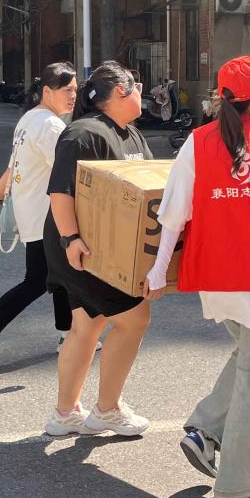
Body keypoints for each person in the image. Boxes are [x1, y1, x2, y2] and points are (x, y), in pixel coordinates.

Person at [144, 55, 250, 498]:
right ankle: (236, 479)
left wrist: (158, 270)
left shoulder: (196, 142)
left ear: (221, 96)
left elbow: (173, 213)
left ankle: (206, 429)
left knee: (246, 358)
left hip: (213, 273)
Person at [44, 61, 155, 437]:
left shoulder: (131, 134)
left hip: (102, 249)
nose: (142, 93)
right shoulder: (83, 133)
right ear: (122, 91)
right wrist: (71, 239)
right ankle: (107, 409)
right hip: (83, 248)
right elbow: (60, 192)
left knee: (87, 325)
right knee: (134, 319)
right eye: (138, 87)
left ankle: (65, 414)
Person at [0, 63, 78, 374]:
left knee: (62, 276)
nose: (73, 96)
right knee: (39, 280)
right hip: (47, 217)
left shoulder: (28, 119)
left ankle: (68, 335)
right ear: (47, 91)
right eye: (67, 90)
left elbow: (13, 166)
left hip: (32, 214)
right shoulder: (50, 126)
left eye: (75, 90)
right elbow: (68, 171)